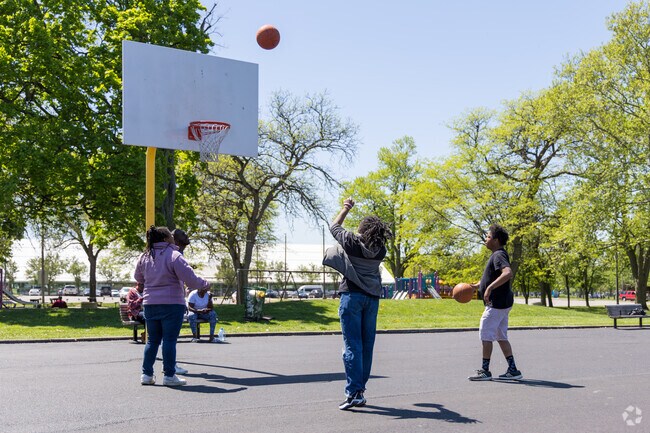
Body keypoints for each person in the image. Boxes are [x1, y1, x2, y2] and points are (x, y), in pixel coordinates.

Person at [323, 197, 393, 410]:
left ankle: (354, 392)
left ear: (363, 228)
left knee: (352, 344)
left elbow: (334, 226)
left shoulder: (352, 243)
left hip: (352, 296)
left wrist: (346, 208)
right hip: (371, 299)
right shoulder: (381, 250)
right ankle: (360, 390)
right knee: (366, 345)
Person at [134, 225, 210, 387]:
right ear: (166, 238)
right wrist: (205, 284)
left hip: (150, 303)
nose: (172, 237)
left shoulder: (144, 256)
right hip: (171, 303)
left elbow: (138, 277)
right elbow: (190, 279)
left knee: (152, 341)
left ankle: (146, 374)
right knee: (169, 340)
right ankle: (169, 375)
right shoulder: (174, 255)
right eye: (170, 235)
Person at [468, 223, 522, 381]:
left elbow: (507, 273)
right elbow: (493, 276)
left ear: (496, 240)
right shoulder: (498, 254)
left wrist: (489, 288)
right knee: (501, 336)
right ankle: (513, 370)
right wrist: (478, 285)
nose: (486, 239)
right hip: (503, 303)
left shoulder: (498, 255)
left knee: (486, 334)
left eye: (488, 236)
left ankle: (485, 371)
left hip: (496, 304)